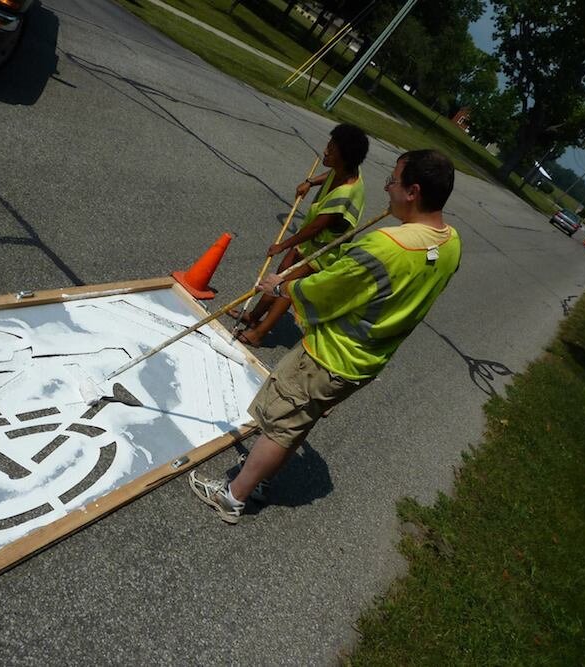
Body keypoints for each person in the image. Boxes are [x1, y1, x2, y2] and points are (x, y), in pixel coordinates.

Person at [191, 149, 462, 523]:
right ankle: (262, 478)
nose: (387, 190)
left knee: (282, 423)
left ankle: (233, 495)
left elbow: (327, 289)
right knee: (302, 419)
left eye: (393, 181)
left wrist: (282, 287)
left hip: (330, 355)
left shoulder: (389, 246)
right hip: (366, 361)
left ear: (413, 191)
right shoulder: (450, 243)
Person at [229, 124, 369, 347]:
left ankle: (259, 333)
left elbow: (315, 228)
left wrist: (282, 245)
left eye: (331, 150)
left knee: (287, 288)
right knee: (280, 274)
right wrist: (311, 182)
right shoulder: (346, 169)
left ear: (344, 157)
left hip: (323, 251)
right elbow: (330, 174)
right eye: (328, 146)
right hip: (311, 242)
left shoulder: (345, 194)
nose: (325, 151)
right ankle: (253, 317)